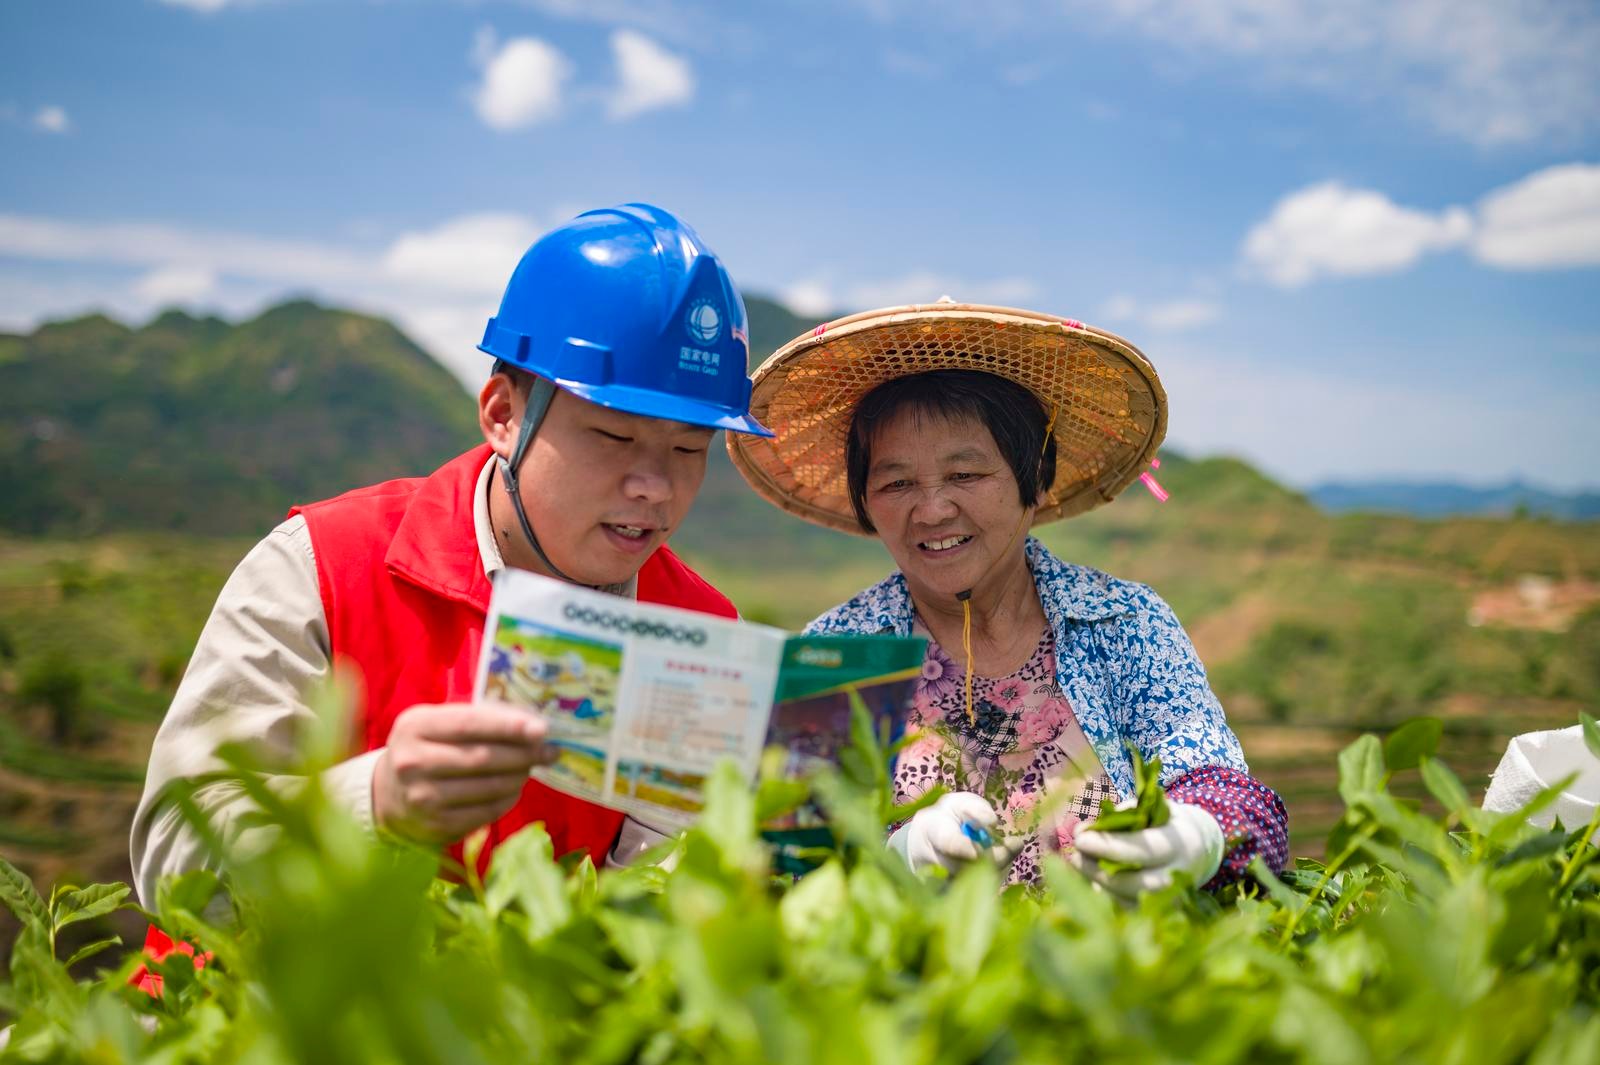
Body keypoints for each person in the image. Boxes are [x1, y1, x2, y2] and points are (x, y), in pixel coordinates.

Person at [130, 204, 772, 909]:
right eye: (614, 437)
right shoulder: (323, 565)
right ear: (503, 415)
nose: (655, 485)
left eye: (690, 448)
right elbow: (174, 857)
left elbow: (647, 907)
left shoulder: (702, 628)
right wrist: (372, 802)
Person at [728, 303, 1288, 893]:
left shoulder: (1124, 624)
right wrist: (897, 857)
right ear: (867, 502)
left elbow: (1225, 790)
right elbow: (787, 862)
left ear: (1035, 481)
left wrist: (1195, 838)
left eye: (965, 475)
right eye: (896, 483)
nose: (933, 510)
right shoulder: (835, 652)